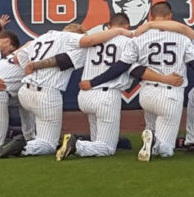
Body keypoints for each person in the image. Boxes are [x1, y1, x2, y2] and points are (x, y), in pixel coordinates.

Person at [85, 2, 194, 161]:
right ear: (170, 16)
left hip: (147, 94)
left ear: (151, 16)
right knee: (166, 149)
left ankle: (150, 138)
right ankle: (155, 141)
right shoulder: (181, 38)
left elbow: (122, 66)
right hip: (170, 94)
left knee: (151, 129)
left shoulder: (138, 37)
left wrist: (94, 82)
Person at [0, 24, 87, 158]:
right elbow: (65, 60)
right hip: (46, 93)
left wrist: (29, 67)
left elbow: (18, 57)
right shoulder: (73, 43)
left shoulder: (43, 38)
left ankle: (27, 140)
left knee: (39, 131)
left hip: (25, 91)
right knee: (49, 144)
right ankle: (24, 147)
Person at [55, 14, 135, 160]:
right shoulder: (128, 41)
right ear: (127, 26)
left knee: (97, 141)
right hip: (106, 95)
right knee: (107, 148)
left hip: (85, 95)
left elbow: (67, 59)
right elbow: (122, 67)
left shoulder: (93, 39)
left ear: (109, 26)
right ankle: (76, 144)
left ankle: (79, 145)